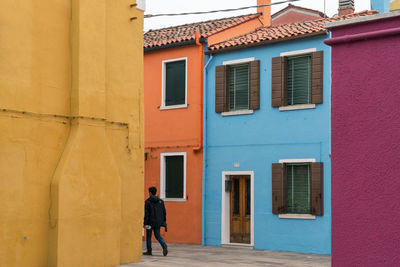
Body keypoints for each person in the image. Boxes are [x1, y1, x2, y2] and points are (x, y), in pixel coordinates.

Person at [143, 186, 168, 256]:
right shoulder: (161, 201)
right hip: (158, 222)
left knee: (148, 236)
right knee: (157, 235)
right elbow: (164, 212)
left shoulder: (147, 202)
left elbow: (146, 213)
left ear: (150, 193)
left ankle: (149, 251)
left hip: (150, 222)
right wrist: (163, 222)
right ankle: (163, 244)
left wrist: (145, 223)